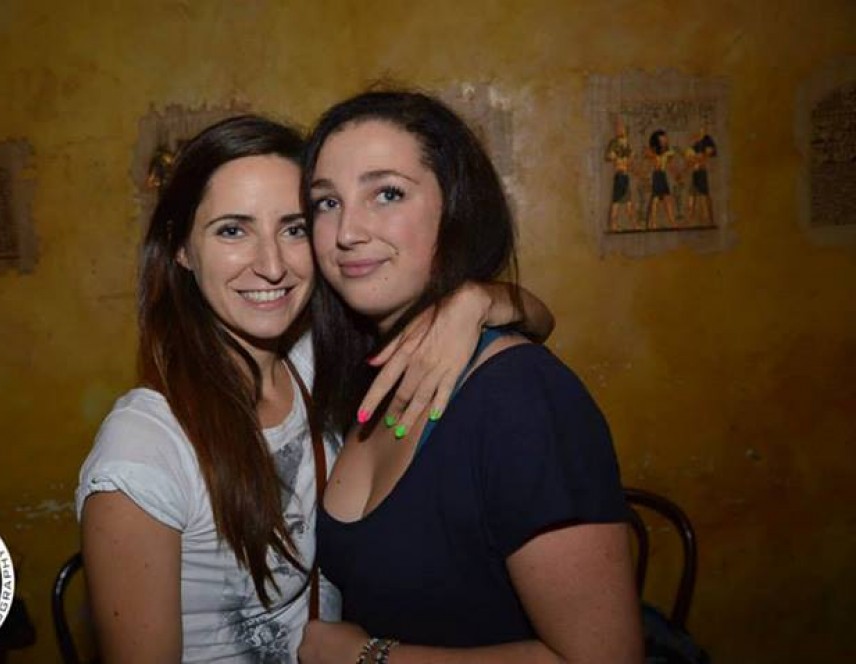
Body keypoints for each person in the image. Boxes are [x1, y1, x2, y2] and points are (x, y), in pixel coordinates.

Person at [76, 115, 555, 663]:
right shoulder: (144, 448)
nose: (271, 265)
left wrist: (477, 302)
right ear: (180, 248)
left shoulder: (318, 361)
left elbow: (540, 319)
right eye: (232, 230)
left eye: (294, 228)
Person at [299, 91, 642, 664]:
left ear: (455, 208)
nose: (347, 231)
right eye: (327, 202)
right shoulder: (362, 369)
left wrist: (369, 658)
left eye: (387, 193)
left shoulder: (521, 397)